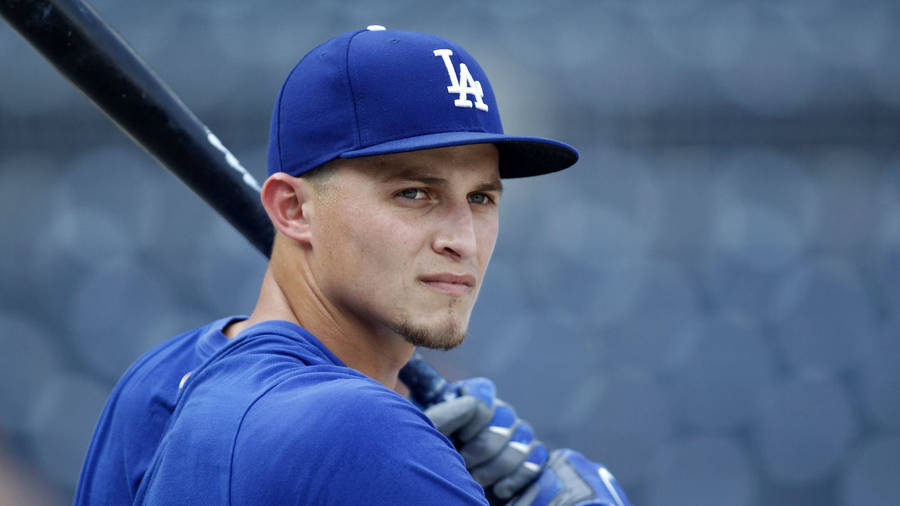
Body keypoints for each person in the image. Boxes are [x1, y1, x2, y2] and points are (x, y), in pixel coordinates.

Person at [75, 26, 630, 505]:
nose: (463, 239)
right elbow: (346, 445)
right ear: (293, 210)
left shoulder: (156, 380)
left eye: (482, 198)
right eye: (415, 193)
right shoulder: (367, 436)